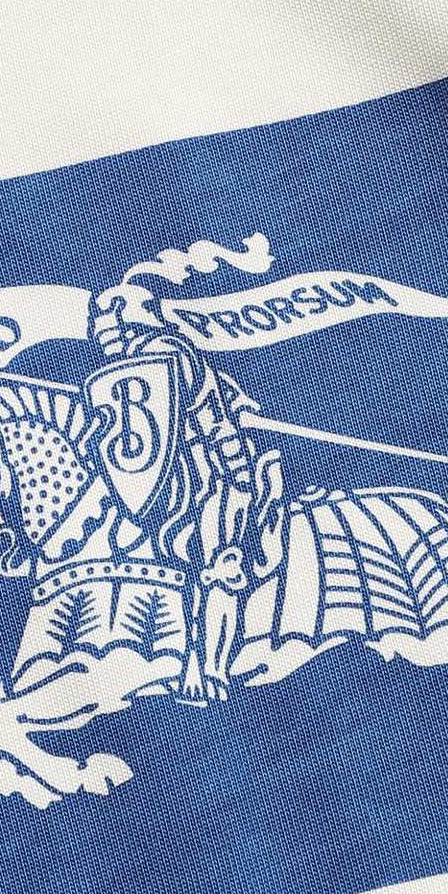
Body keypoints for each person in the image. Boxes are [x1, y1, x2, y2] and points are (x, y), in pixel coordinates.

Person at [87, 282, 286, 702]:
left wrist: (240, 479)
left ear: (130, 321)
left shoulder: (172, 357)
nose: (102, 336)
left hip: (212, 479)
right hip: (167, 487)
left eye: (109, 325)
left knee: (220, 569)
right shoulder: (127, 372)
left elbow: (218, 426)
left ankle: (211, 669)